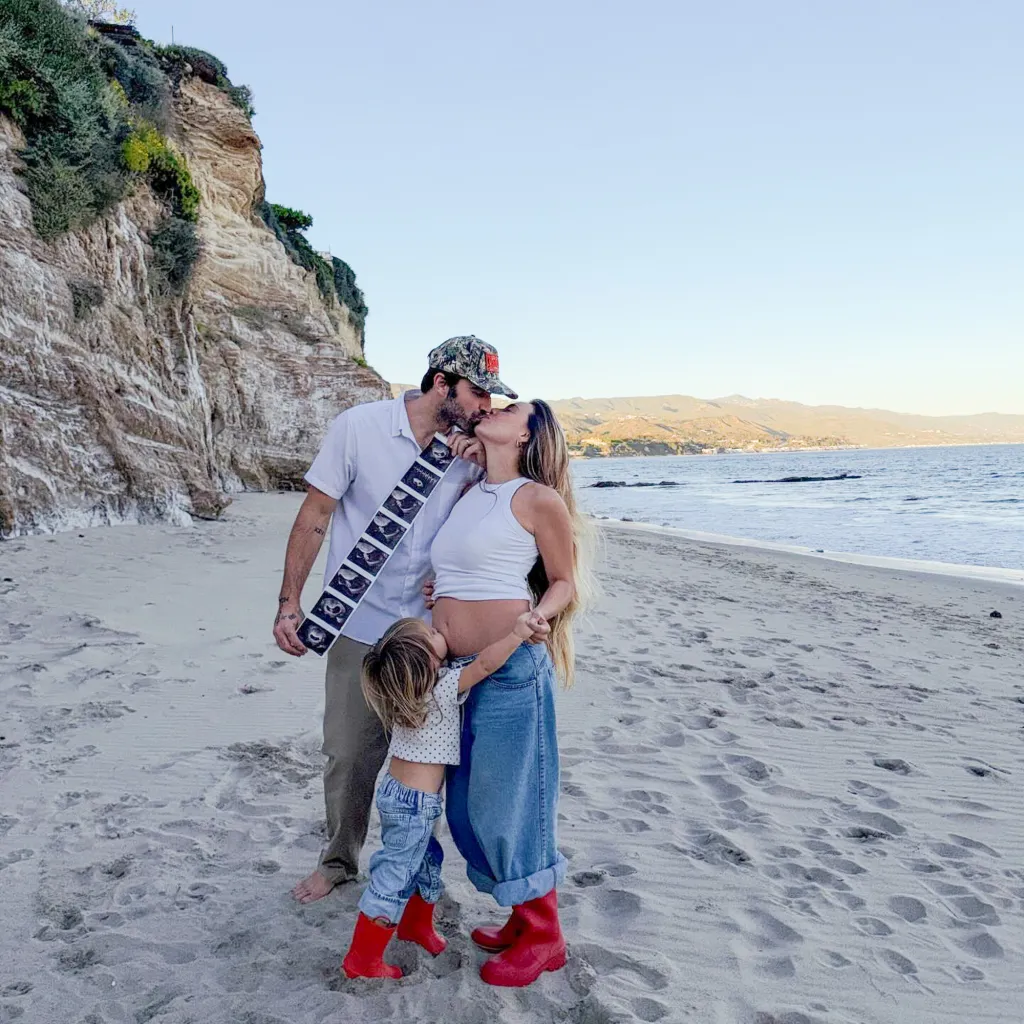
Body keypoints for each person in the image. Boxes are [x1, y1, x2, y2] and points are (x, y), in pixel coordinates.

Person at [272, 336, 518, 904]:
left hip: (435, 633)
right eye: (478, 391)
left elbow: (498, 521)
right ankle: (338, 861)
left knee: (427, 760)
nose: (487, 405)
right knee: (349, 755)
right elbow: (315, 516)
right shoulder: (360, 428)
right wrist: (290, 602)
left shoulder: (472, 452)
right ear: (441, 383)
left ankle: (412, 875)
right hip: (358, 623)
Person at [426, 398, 591, 987]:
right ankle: (523, 917)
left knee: (511, 803)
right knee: (469, 805)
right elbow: (465, 568)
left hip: (512, 668)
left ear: (528, 435)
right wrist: (440, 591)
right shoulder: (471, 492)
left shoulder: (537, 499)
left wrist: (537, 617)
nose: (495, 407)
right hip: (457, 670)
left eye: (513, 407)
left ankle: (546, 936)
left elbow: (565, 580)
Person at [340, 610, 549, 979]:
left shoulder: (403, 694)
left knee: (425, 861)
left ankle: (415, 926)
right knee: (394, 874)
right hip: (415, 804)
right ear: (426, 661)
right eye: (433, 632)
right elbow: (485, 663)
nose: (440, 631)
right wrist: (516, 634)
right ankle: (362, 959)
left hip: (401, 795)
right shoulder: (441, 687)